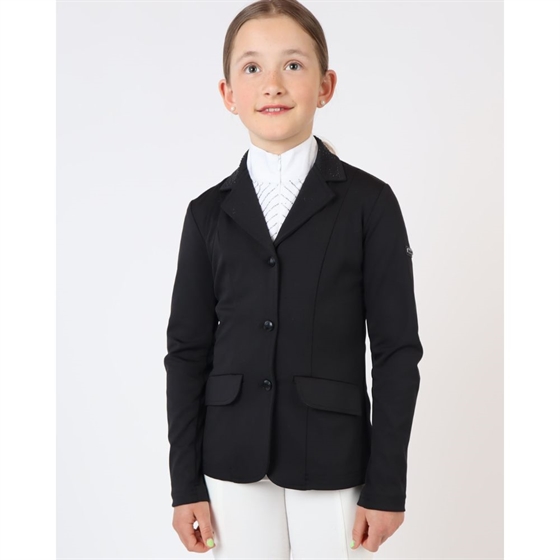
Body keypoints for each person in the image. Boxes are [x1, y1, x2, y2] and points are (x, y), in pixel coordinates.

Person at [164, 1, 423, 558]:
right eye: (252, 67)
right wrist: (185, 484)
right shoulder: (206, 214)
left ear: (325, 86)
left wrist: (387, 485)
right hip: (229, 459)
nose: (273, 84)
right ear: (228, 93)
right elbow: (186, 353)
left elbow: (397, 351)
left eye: (294, 65)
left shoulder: (370, 204)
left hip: (333, 457)